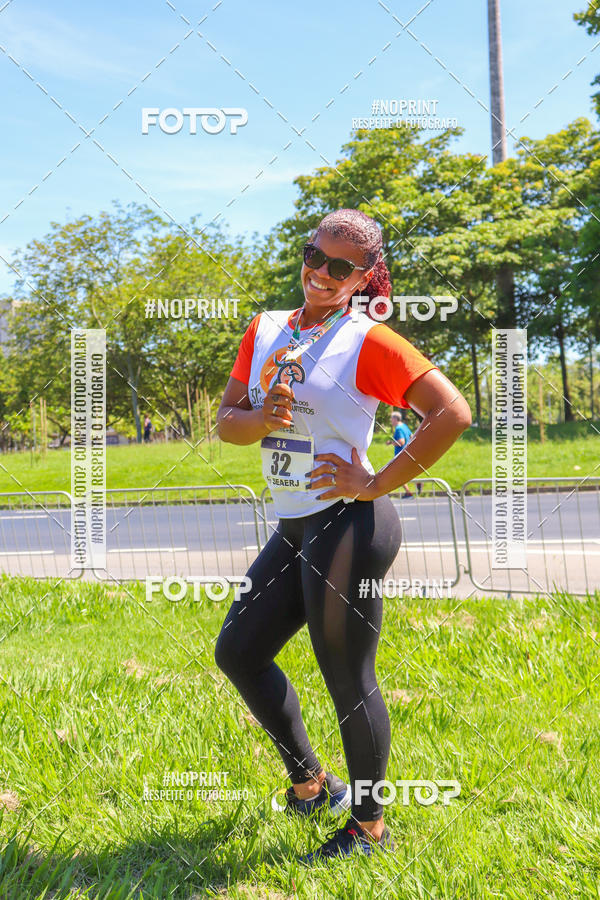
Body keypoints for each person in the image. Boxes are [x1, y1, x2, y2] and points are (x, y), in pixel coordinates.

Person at [215, 208, 471, 865]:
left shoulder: (368, 340)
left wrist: (376, 481)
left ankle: (368, 826)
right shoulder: (267, 328)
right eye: (314, 255)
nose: (321, 273)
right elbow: (227, 423)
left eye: (340, 267)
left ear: (364, 277)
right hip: (296, 523)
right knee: (240, 649)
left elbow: (451, 411)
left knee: (346, 676)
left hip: (351, 525)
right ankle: (312, 783)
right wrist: (260, 415)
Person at [387, 411, 416, 498]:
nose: (391, 421)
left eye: (391, 419)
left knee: (398, 474)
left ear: (395, 419)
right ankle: (418, 483)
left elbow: (401, 442)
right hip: (407, 454)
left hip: (400, 455)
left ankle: (408, 492)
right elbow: (412, 436)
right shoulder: (404, 426)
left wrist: (391, 442)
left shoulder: (399, 428)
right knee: (406, 473)